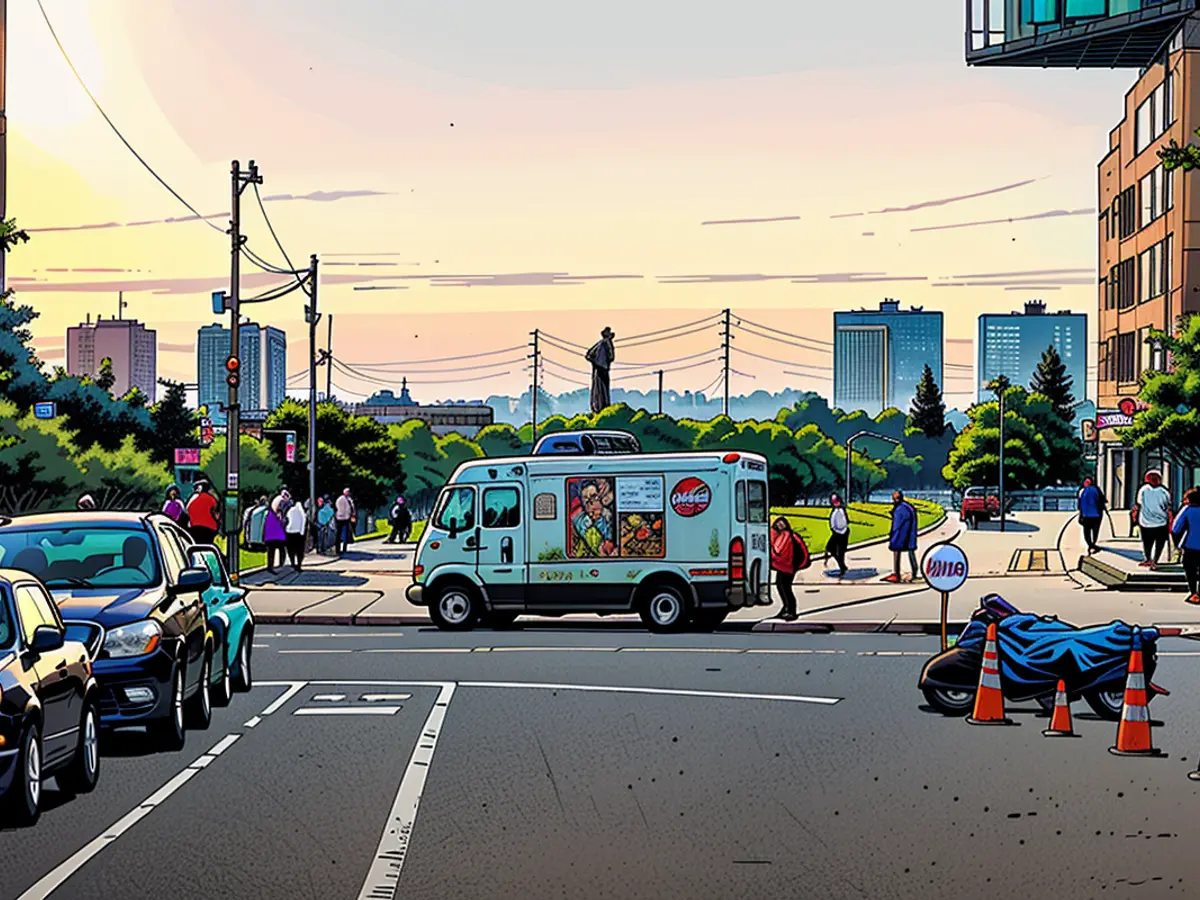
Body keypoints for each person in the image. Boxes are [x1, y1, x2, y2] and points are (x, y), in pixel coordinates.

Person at [770, 516, 810, 622]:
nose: (780, 526)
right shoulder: (789, 535)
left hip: (787, 566)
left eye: (781, 524)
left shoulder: (785, 535)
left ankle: (791, 611)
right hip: (786, 566)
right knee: (782, 586)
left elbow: (778, 549)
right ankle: (786, 608)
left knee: (785, 588)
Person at [1133, 471, 1172, 569]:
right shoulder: (1164, 491)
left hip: (1145, 522)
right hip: (1161, 522)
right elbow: (1167, 506)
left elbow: (1139, 503)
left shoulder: (1143, 490)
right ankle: (1155, 560)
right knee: (1159, 544)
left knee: (1147, 543)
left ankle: (1148, 559)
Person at [1171, 487, 1200, 605]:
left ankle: (1194, 593)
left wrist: (1177, 545)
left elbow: (1175, 528)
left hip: (1191, 545)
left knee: (1190, 569)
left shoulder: (1187, 510)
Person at [884, 490, 919, 584]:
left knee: (897, 552)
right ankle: (914, 572)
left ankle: (897, 574)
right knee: (910, 552)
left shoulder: (900, 509)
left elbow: (897, 524)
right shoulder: (908, 507)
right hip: (909, 534)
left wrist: (892, 535)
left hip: (901, 535)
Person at [584, 327, 616, 414]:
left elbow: (611, 357)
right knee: (600, 389)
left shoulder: (606, 344)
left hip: (602, 369)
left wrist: (594, 362)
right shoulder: (603, 344)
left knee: (602, 389)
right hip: (600, 369)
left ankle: (601, 407)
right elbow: (588, 355)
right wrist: (595, 362)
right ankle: (599, 407)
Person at [186, 481, 221, 546]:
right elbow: (216, 515)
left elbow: (187, 509)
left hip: (195, 527)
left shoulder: (193, 498)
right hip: (210, 529)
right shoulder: (212, 499)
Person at [1078, 477, 1106, 555]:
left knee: (1086, 532)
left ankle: (1090, 545)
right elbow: (1103, 500)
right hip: (1096, 515)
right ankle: (1093, 545)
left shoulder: (1082, 491)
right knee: (1095, 531)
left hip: (1086, 515)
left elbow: (1079, 505)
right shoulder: (1097, 490)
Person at [825, 493, 850, 578]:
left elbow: (845, 522)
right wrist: (835, 530)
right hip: (837, 533)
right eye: (834, 502)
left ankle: (842, 567)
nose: (836, 503)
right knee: (830, 548)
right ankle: (842, 565)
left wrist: (842, 530)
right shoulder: (835, 511)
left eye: (837, 501)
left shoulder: (842, 510)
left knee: (841, 551)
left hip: (843, 533)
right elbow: (833, 524)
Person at [263, 494, 288, 573]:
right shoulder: (280, 504)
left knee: (271, 551)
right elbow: (281, 518)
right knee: (281, 549)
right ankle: (281, 565)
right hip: (278, 534)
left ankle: (270, 566)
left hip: (270, 535)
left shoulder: (269, 513)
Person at [285, 499, 308, 572]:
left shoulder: (290, 510)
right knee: (299, 551)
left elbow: (287, 520)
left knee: (291, 549)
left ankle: (293, 563)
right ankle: (299, 565)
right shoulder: (302, 512)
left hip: (290, 533)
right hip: (299, 533)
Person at [334, 488, 356, 555]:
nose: (348, 493)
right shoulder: (343, 499)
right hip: (343, 518)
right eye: (347, 492)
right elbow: (350, 508)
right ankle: (340, 549)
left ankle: (342, 548)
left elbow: (352, 508)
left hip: (343, 518)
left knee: (343, 533)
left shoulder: (347, 499)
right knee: (341, 533)